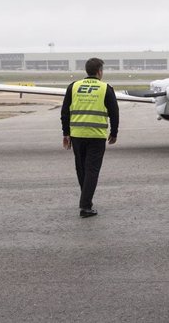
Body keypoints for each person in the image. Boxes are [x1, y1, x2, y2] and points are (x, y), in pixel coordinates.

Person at [61, 57, 119, 218]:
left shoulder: (73, 86)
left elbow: (65, 112)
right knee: (92, 170)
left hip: (77, 135)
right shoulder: (105, 88)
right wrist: (114, 133)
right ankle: (85, 206)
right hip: (96, 135)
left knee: (81, 169)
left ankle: (85, 198)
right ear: (99, 71)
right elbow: (114, 112)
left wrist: (65, 133)